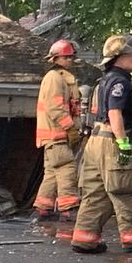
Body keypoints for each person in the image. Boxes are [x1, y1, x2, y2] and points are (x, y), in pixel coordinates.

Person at [70, 35, 132, 254]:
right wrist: (123, 143)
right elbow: (114, 112)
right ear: (119, 57)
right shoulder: (121, 82)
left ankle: (85, 239)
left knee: (95, 193)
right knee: (125, 190)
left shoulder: (104, 81)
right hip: (111, 143)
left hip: (96, 142)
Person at [33, 40, 83, 221]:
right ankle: (68, 208)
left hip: (53, 137)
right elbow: (55, 108)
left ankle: (44, 208)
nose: (70, 60)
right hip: (58, 135)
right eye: (66, 57)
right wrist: (70, 128)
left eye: (71, 57)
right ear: (56, 58)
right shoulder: (54, 78)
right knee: (66, 169)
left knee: (52, 173)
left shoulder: (58, 77)